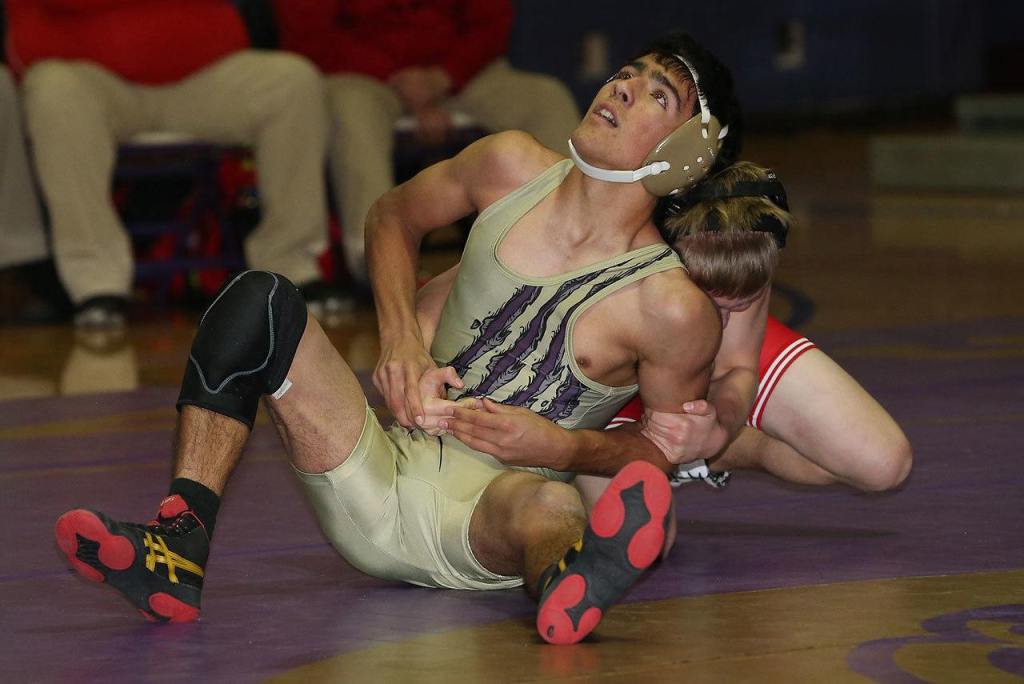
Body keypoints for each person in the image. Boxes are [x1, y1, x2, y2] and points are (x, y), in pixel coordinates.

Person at [53, 32, 748, 644]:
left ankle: (570, 580)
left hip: (489, 513)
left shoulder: (670, 307)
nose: (622, 86)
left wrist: (561, 447)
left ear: (687, 153)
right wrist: (400, 343)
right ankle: (177, 552)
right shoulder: (509, 166)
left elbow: (658, 452)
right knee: (258, 300)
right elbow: (391, 216)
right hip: (376, 469)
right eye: (628, 71)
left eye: (657, 94)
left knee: (553, 504)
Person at [6, 0, 337, 328]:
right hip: (93, 82)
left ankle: (291, 266)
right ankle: (96, 283)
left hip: (199, 75)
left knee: (293, 81)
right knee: (53, 90)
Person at [273, 0, 581, 283]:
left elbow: (490, 23)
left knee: (546, 100)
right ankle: (378, 261)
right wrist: (402, 82)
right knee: (351, 114)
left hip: (455, 73)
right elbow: (310, 36)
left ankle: (572, 243)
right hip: (361, 75)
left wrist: (443, 77)